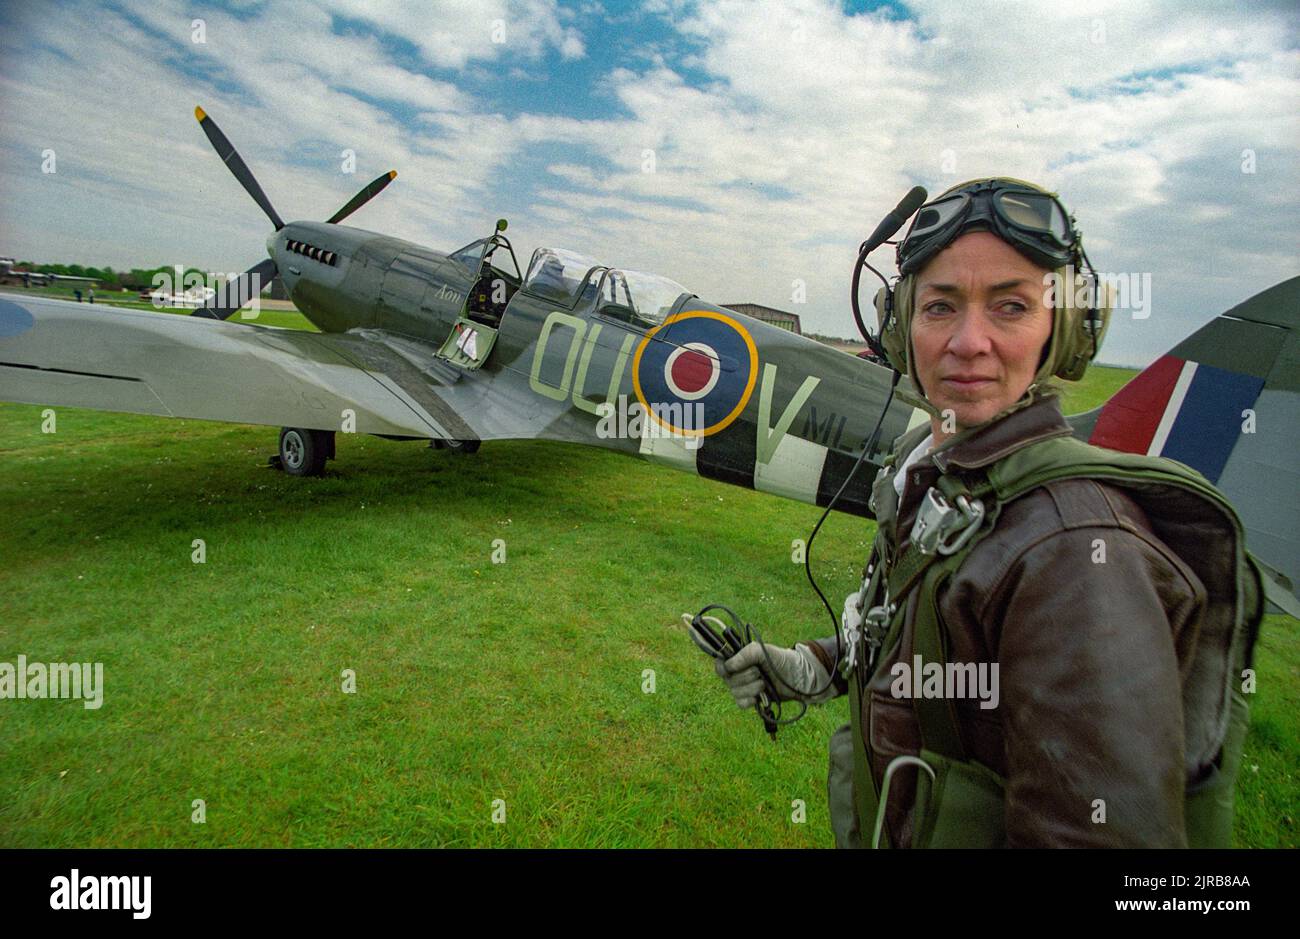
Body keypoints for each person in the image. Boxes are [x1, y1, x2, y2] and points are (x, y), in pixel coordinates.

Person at [709, 177, 1262, 848]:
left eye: (1010, 306)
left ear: (1061, 332)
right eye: (940, 306)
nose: (969, 342)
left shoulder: (1080, 551)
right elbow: (919, 650)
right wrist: (815, 665)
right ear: (898, 327)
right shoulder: (935, 475)